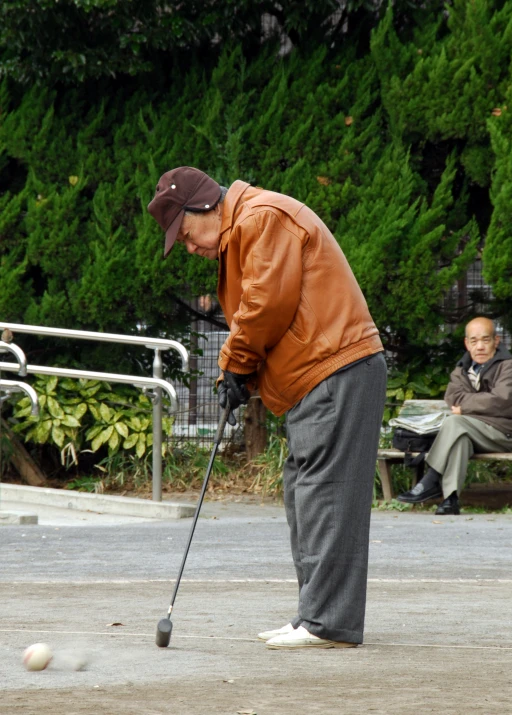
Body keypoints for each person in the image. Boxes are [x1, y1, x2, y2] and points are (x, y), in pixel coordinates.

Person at [148, 166, 386, 649]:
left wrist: (235, 366)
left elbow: (264, 305)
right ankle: (313, 615)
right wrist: (236, 376)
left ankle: (326, 623)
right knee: (306, 492)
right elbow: (262, 312)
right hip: (317, 376)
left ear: (205, 207)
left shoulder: (261, 217)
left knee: (326, 493)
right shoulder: (245, 228)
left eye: (188, 234)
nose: (190, 248)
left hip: (335, 368)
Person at [397, 317, 512, 515]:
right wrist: (481, 404)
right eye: (474, 341)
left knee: (455, 421)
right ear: (467, 344)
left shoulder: (510, 367)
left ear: (496, 340)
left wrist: (466, 407)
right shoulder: (461, 370)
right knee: (460, 439)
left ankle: (431, 477)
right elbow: (453, 397)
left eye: (485, 340)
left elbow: (503, 401)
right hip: (472, 431)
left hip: (503, 433)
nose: (480, 346)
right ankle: (450, 500)